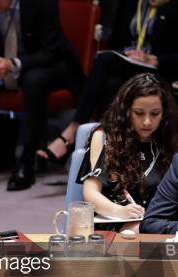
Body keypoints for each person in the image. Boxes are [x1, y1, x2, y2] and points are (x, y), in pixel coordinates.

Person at [0, 0, 84, 191]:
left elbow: (53, 50)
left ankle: (26, 160)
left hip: (47, 64)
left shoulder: (41, 3)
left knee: (34, 80)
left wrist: (14, 63)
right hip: (1, 67)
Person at [39, 0, 178, 163]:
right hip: (128, 64)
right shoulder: (132, 3)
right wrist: (127, 54)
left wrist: (156, 60)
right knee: (109, 83)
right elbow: (116, 41)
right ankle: (106, 153)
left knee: (103, 62)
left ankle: (72, 133)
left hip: (159, 71)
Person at [77, 73, 178, 232]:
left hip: (162, 222)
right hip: (117, 220)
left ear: (164, 113)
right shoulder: (105, 137)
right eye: (139, 113)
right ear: (126, 111)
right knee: (136, 231)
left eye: (155, 113)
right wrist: (119, 211)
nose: (147, 121)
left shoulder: (172, 140)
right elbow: (90, 193)